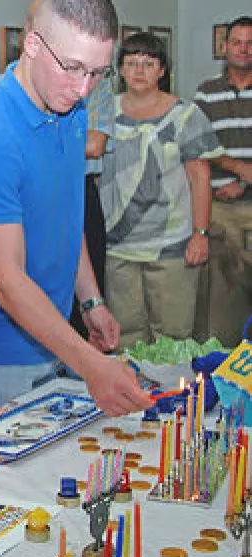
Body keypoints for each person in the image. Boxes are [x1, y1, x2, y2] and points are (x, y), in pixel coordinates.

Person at [0, 0, 153, 425]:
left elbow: (65, 219)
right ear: (31, 43)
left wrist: (90, 300)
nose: (84, 87)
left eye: (97, 72)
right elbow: (6, 279)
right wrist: (91, 365)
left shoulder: (69, 109)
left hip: (49, 342)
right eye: (72, 67)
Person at [99, 32, 222, 349]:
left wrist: (201, 233)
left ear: (163, 70)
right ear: (121, 70)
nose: (139, 71)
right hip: (116, 247)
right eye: (131, 63)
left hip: (173, 248)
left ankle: (173, 400)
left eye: (148, 63)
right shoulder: (102, 113)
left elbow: (199, 177)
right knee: (124, 341)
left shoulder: (186, 116)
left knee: (173, 341)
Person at [194, 16, 252, 348]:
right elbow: (198, 144)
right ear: (225, 47)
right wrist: (237, 168)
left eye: (250, 43)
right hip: (218, 210)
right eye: (237, 42)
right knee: (219, 305)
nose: (243, 49)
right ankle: (224, 374)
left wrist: (244, 182)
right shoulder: (207, 92)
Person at [69, 74, 113, 338]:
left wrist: (43, 140)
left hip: (81, 191)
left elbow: (95, 144)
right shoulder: (9, 85)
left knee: (88, 285)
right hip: (35, 189)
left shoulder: (97, 85)